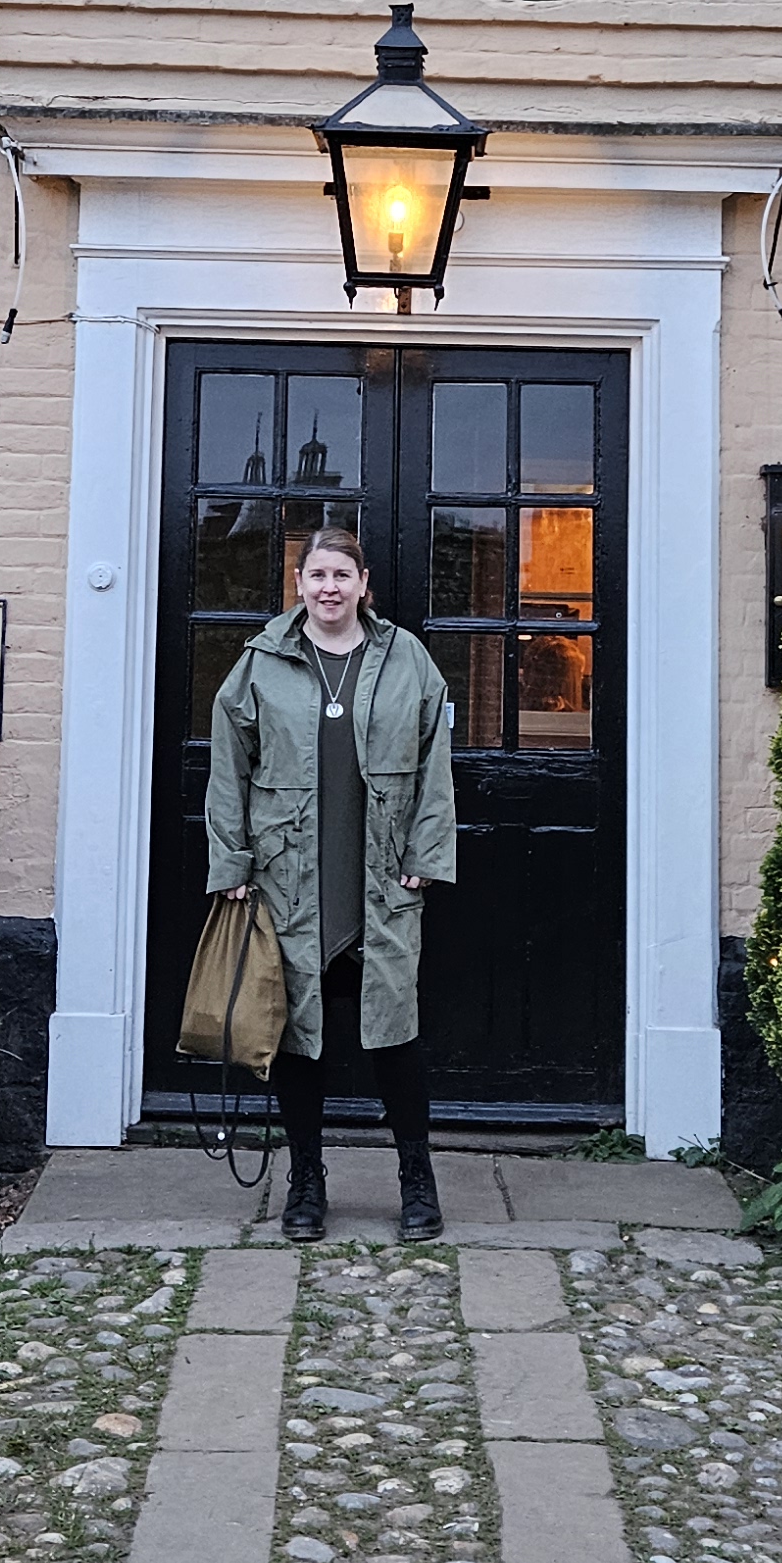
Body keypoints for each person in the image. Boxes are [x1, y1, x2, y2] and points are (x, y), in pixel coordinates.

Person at [205, 524, 458, 1241]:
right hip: (290, 882)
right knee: (298, 1038)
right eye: (317, 575)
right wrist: (232, 862)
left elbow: (435, 760)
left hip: (382, 881)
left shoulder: (406, 658)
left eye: (342, 575)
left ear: (363, 584)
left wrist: (426, 851)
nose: (329, 588)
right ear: (299, 584)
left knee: (395, 1034)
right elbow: (229, 769)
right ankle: (306, 1182)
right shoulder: (261, 663)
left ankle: (417, 1181)